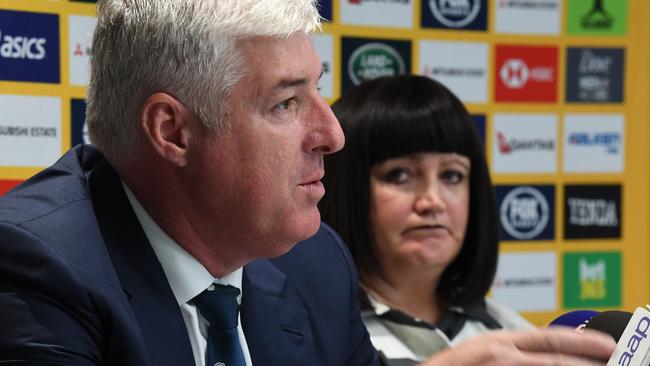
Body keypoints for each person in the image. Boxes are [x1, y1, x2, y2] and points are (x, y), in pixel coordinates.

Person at [0, 1, 614, 366]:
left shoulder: (316, 264)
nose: (332, 134)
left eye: (317, 91)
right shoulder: (38, 267)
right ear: (173, 131)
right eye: (286, 104)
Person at [319, 75, 527, 362]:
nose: (432, 201)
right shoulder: (312, 336)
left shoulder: (510, 332)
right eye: (399, 174)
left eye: (451, 175)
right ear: (344, 188)